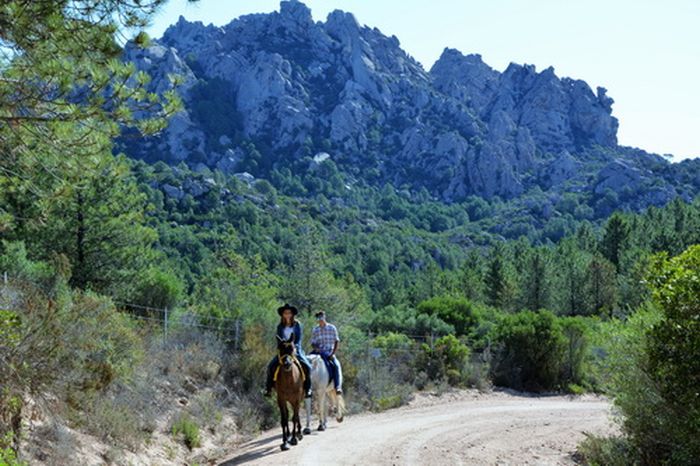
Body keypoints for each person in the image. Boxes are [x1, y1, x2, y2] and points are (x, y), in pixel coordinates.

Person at [265, 304, 312, 398]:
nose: (287, 315)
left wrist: (293, 346)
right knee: (271, 366)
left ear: (292, 314)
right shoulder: (280, 326)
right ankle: (268, 388)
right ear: (282, 315)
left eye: (289, 313)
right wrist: (282, 345)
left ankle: (308, 389)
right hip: (283, 350)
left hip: (294, 348)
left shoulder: (297, 324)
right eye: (285, 313)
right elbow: (279, 338)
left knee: (307, 366)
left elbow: (298, 338)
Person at [310, 311, 343, 394]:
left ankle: (337, 386)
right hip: (318, 352)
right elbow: (313, 342)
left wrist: (333, 353)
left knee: (336, 365)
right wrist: (316, 348)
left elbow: (336, 341)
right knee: (307, 362)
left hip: (329, 352)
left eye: (321, 318)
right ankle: (307, 386)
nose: (320, 320)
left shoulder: (332, 328)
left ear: (324, 317)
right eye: (318, 318)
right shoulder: (315, 329)